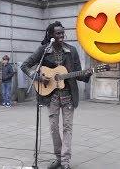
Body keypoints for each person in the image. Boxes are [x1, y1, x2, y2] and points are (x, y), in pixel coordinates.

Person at [21, 21, 92, 169]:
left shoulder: (71, 51)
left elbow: (78, 73)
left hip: (68, 96)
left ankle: (65, 161)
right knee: (54, 128)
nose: (61, 36)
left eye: (62, 33)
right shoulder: (44, 50)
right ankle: (58, 158)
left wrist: (87, 74)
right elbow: (25, 65)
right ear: (51, 35)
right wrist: (38, 76)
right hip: (51, 96)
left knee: (67, 128)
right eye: (58, 33)